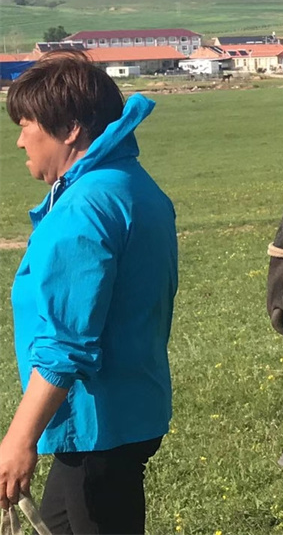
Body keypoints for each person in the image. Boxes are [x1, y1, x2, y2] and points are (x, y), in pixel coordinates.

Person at [1, 51, 178, 533]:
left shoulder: (85, 207)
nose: (20, 141)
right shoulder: (132, 186)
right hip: (129, 412)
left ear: (72, 128)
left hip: (96, 425)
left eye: (27, 124)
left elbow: (67, 346)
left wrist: (19, 440)